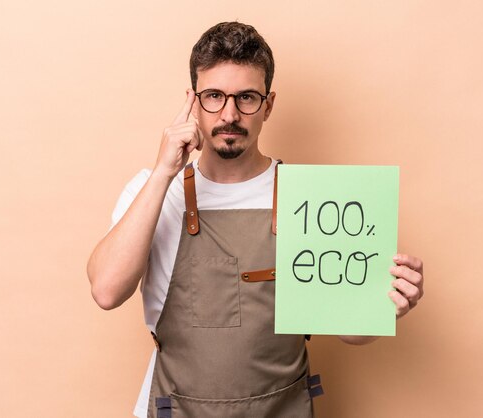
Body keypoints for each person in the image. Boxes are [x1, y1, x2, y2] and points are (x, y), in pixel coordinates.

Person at [87, 21, 424, 418]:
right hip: (175, 408)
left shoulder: (311, 197)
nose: (229, 114)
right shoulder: (156, 190)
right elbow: (106, 291)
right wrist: (164, 171)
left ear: (268, 104)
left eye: (246, 97)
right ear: (193, 102)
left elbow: (353, 334)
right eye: (213, 96)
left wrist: (385, 304)